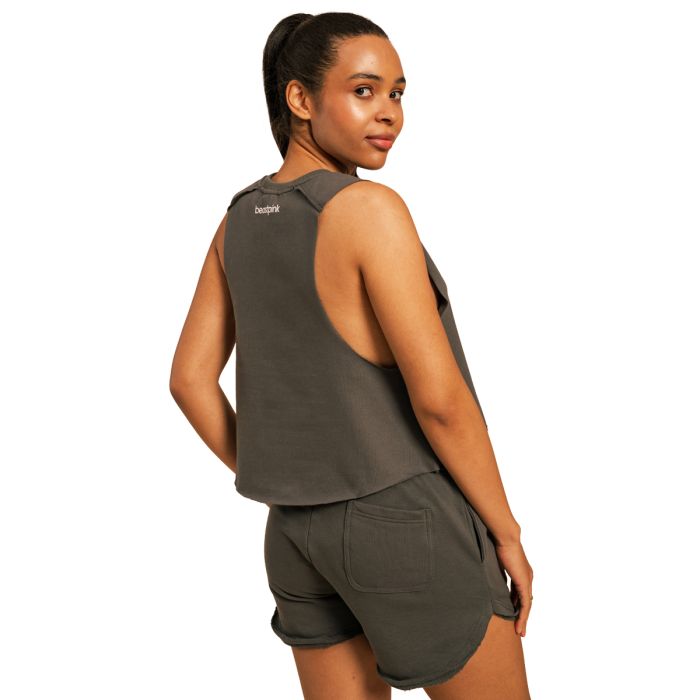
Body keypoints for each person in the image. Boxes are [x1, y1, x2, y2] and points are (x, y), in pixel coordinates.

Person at [170, 11, 533, 699]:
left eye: (397, 93)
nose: (389, 112)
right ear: (300, 99)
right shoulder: (370, 210)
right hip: (406, 521)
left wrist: (287, 478)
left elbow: (189, 380)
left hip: (293, 535)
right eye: (364, 91)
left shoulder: (237, 220)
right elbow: (440, 402)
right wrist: (506, 533)